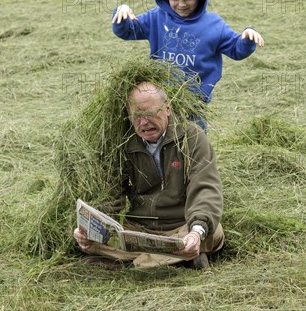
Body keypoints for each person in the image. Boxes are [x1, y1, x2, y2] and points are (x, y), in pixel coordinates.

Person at [73, 82, 224, 269]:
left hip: (181, 225)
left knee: (212, 232)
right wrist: (90, 231)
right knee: (88, 242)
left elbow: (206, 187)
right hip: (139, 229)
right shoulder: (122, 144)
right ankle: (177, 258)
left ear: (168, 109)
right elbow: (110, 195)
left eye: (151, 113)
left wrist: (195, 232)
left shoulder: (192, 137)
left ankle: (134, 262)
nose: (144, 123)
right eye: (137, 116)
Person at [111, 0, 264, 122]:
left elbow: (236, 49)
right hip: (159, 101)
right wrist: (122, 14)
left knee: (193, 143)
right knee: (160, 141)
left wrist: (247, 38)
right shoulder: (156, 18)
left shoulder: (214, 26)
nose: (181, 4)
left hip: (194, 105)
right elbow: (128, 31)